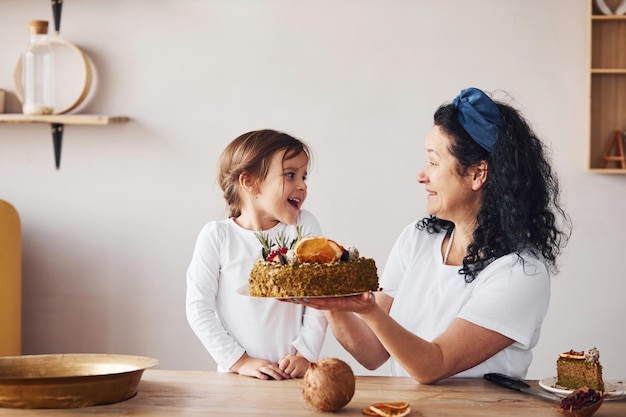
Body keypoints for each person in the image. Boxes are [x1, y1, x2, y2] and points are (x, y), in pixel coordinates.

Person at [293, 87, 571, 384]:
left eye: (434, 162)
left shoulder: (521, 272)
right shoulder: (417, 239)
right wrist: (332, 303)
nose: (421, 175)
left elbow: (433, 365)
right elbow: (373, 353)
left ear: (478, 173)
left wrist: (370, 311)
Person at [186, 129, 327, 380]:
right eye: (290, 174)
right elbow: (198, 309)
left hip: (293, 375)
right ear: (249, 182)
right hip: (237, 378)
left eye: (304, 176)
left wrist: (304, 354)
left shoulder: (304, 227)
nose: (302, 185)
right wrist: (240, 362)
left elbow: (320, 300)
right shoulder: (217, 237)